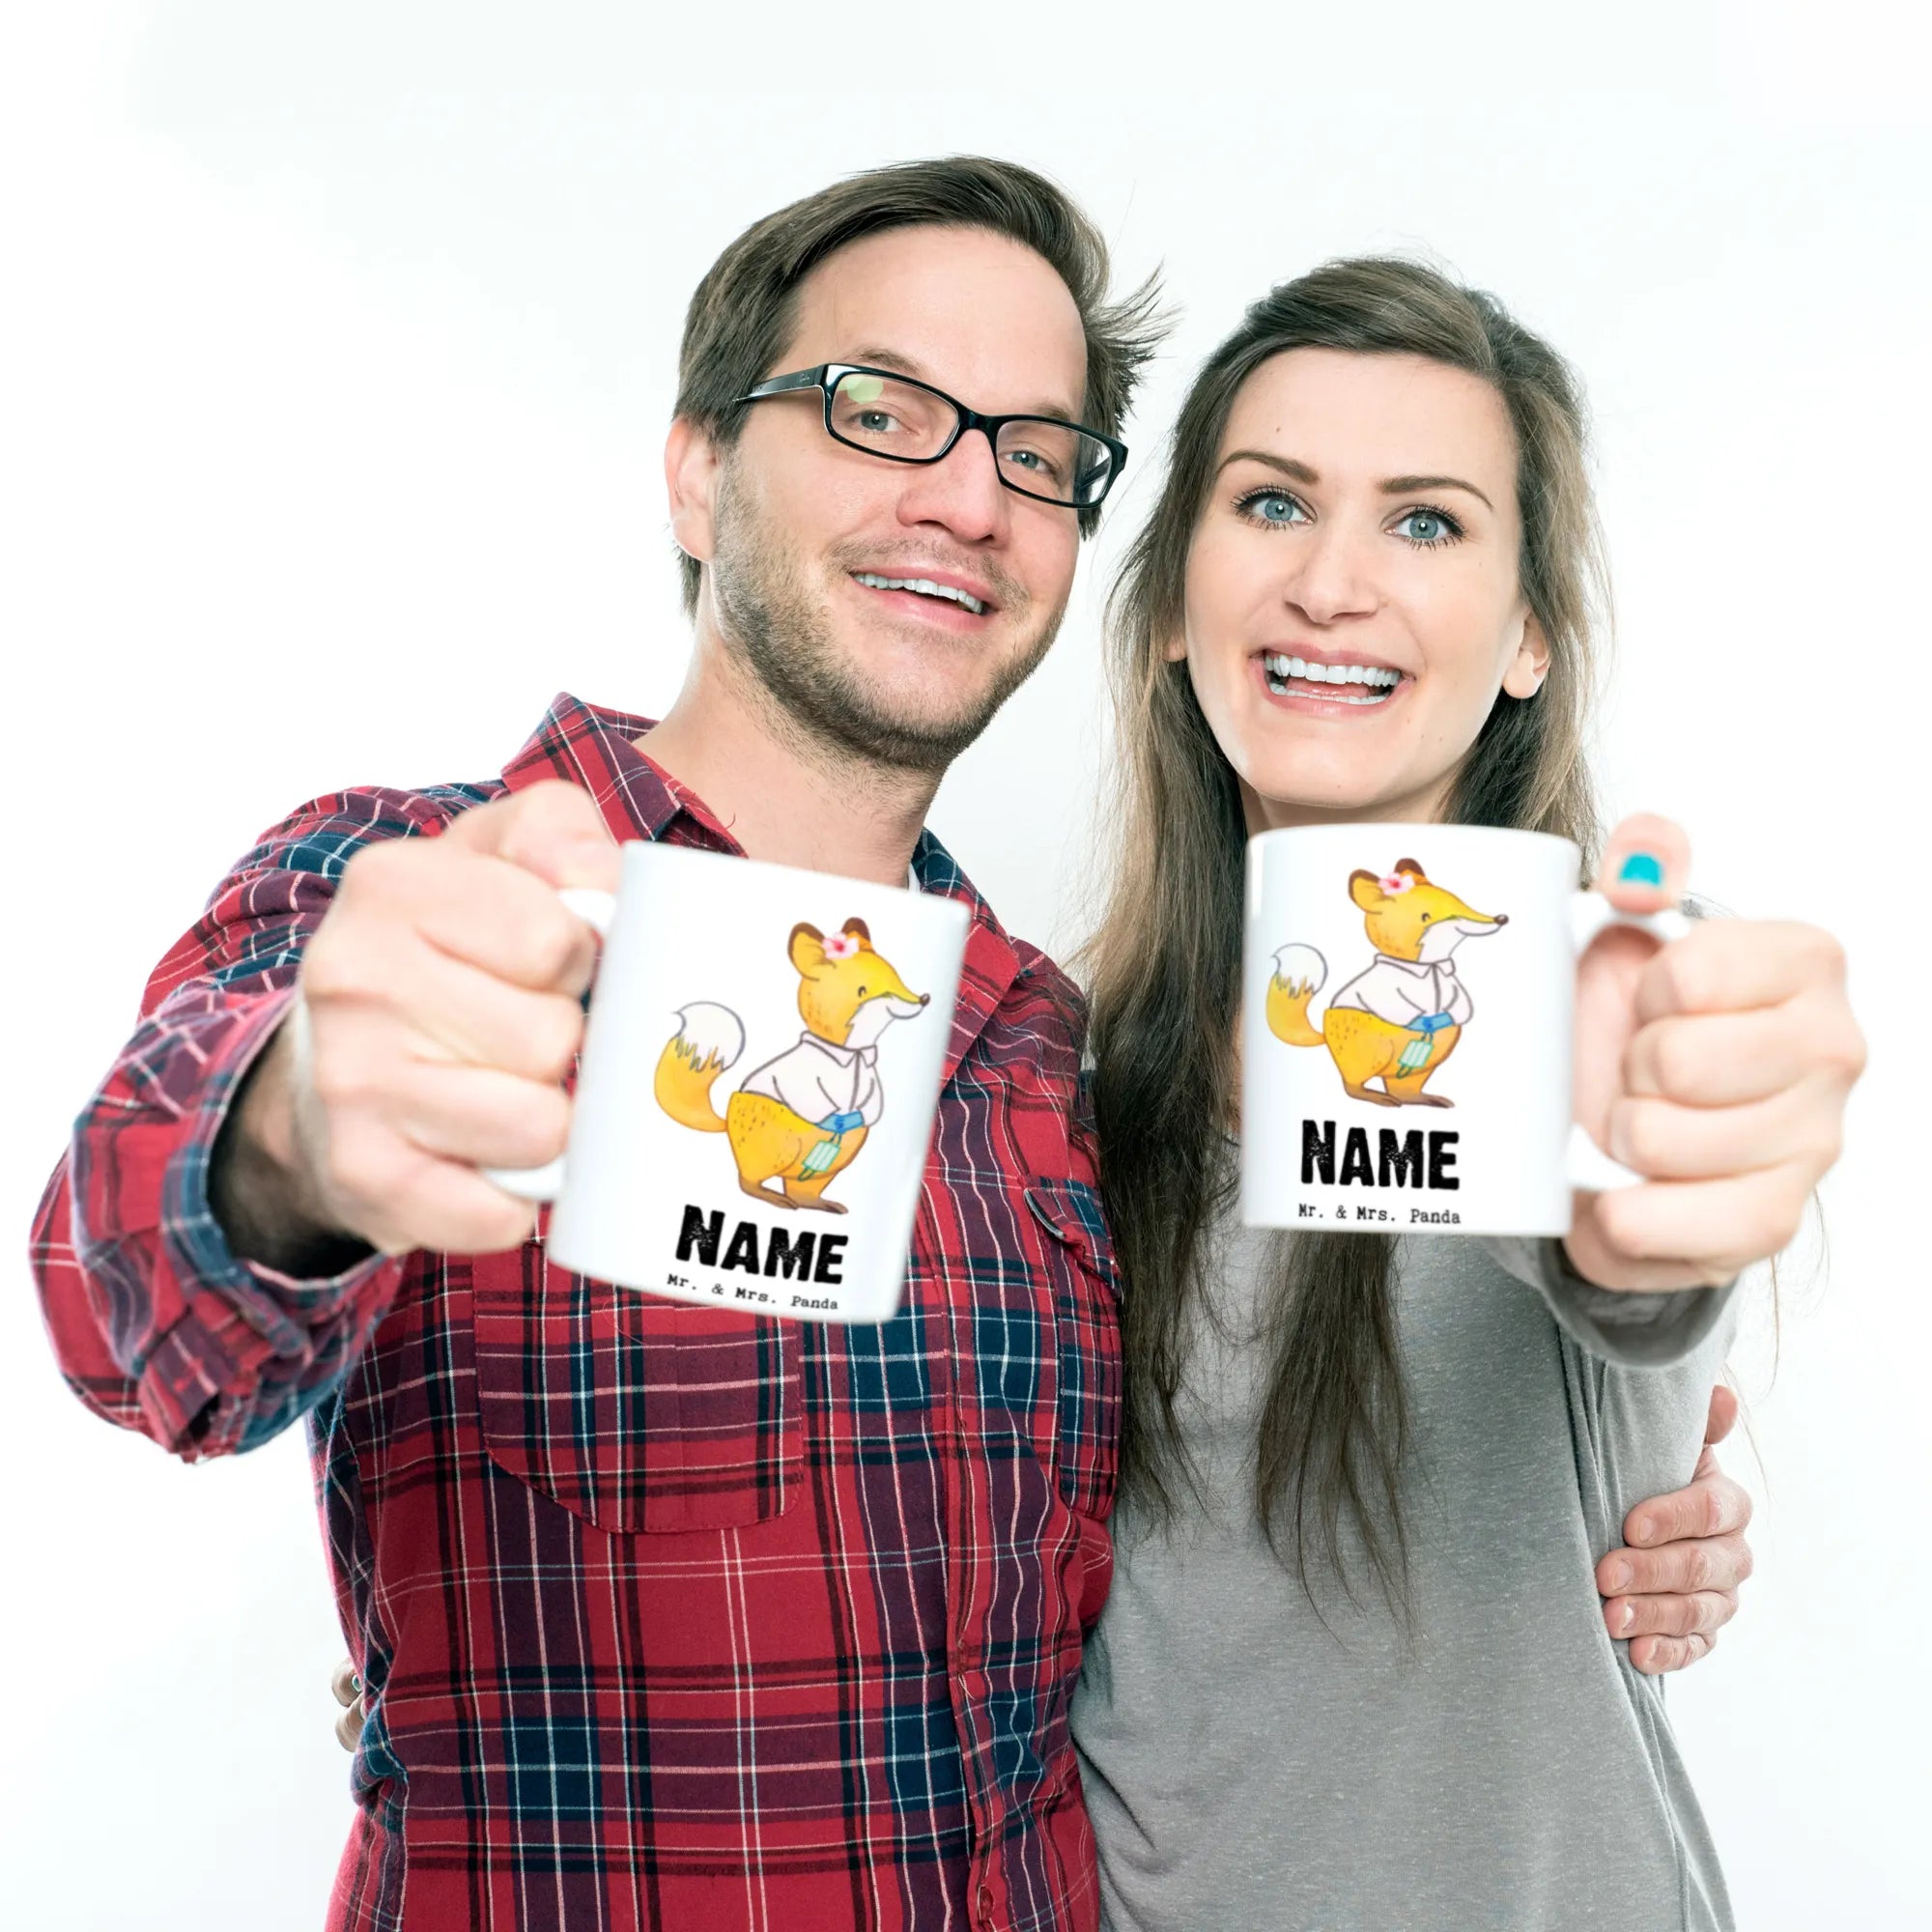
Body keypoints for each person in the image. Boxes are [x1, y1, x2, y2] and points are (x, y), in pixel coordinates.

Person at [35, 157, 1762, 1932]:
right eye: (880, 410)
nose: (965, 496)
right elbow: (122, 1291)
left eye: (1035, 451)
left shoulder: (1042, 1055)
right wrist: (296, 1139)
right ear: (698, 467)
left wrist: (1645, 1433)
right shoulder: (419, 894)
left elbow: (1559, 1290)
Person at [1071, 258, 1865, 1929]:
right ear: (1170, 606)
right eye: (1272, 503)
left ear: (1527, 639)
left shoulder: (1597, 1001)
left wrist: (1664, 1184)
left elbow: (1628, 1254)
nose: (1332, 583)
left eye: (1426, 522)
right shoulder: (1061, 1079)